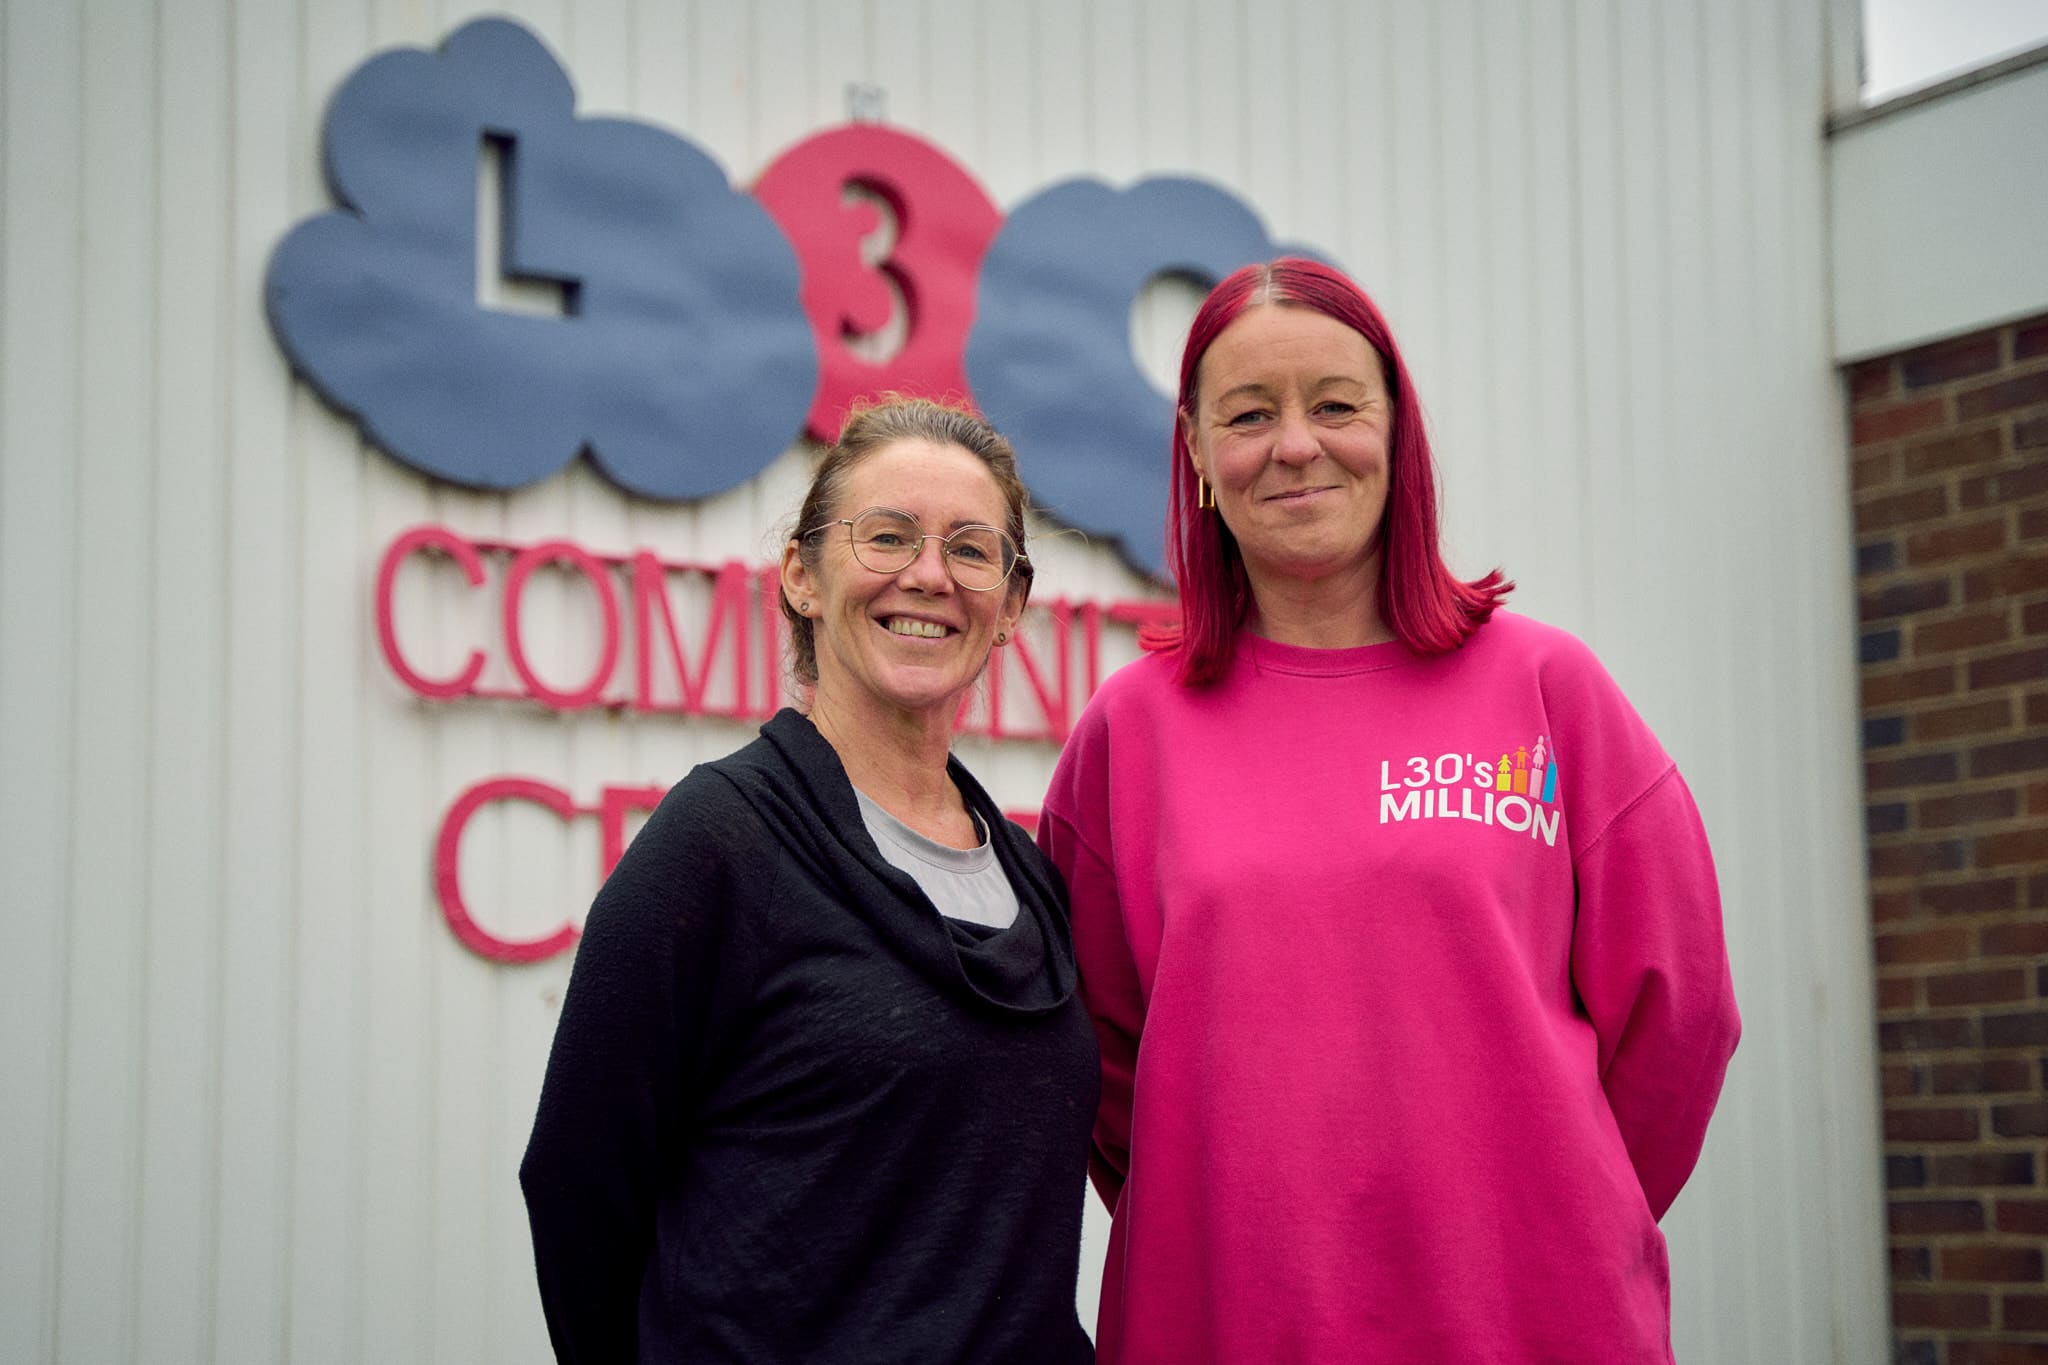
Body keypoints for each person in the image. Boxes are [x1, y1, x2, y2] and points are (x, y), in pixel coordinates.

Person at [1038, 259, 1740, 1364]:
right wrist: (1241, 1224)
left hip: (1529, 1319)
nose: (1295, 445)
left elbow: (1678, 1014)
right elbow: (1097, 1056)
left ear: (1395, 429)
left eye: (1333, 405)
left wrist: (1557, 1204)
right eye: (1249, 415)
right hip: (1227, 1319)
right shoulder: (1128, 734)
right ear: (1195, 455)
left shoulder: (1548, 690)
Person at [521, 398, 1097, 1364]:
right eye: (887, 536)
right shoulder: (719, 843)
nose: (928, 575)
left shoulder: (1029, 880)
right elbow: (578, 1185)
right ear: (802, 573)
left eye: (970, 547)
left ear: (1010, 605)